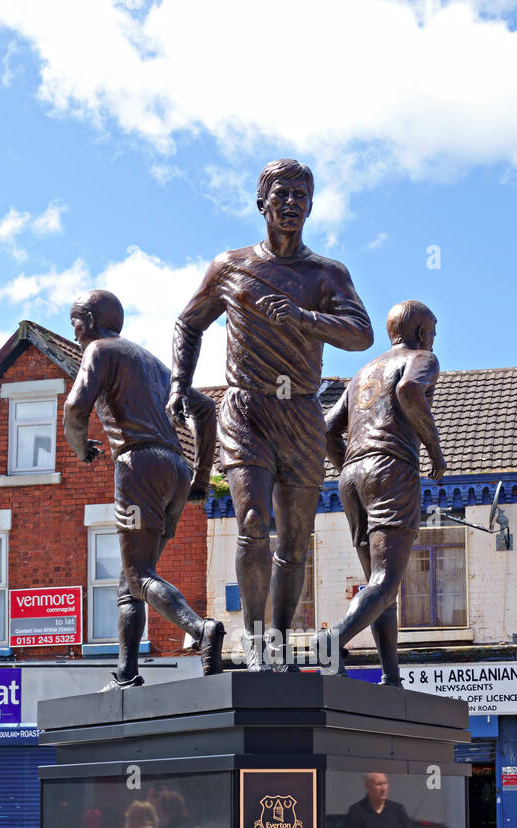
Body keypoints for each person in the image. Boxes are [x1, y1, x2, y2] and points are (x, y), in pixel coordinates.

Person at [169, 159, 373, 667]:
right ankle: (255, 641)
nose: (291, 202)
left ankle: (279, 642)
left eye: (301, 194)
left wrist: (306, 318)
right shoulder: (230, 265)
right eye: (281, 192)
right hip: (245, 408)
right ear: (261, 202)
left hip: (301, 411)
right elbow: (187, 323)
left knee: (297, 539)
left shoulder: (327, 274)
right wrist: (179, 383)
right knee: (254, 521)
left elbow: (361, 333)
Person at [63, 288, 225, 687]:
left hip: (138, 465)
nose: (75, 335)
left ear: (89, 321)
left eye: (75, 324)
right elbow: (205, 410)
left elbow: (74, 408)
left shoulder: (100, 350)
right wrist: (201, 476)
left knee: (139, 576)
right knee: (131, 582)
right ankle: (127, 671)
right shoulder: (153, 365)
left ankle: (200, 629)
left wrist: (81, 447)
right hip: (176, 469)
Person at [324, 300, 446, 685]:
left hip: (352, 476)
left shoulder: (362, 373)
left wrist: (345, 463)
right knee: (386, 582)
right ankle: (332, 641)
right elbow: (410, 389)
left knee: (378, 584)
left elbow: (326, 427)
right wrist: (435, 449)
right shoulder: (423, 357)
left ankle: (391, 676)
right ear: (423, 332)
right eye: (434, 332)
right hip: (391, 470)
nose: (435, 339)